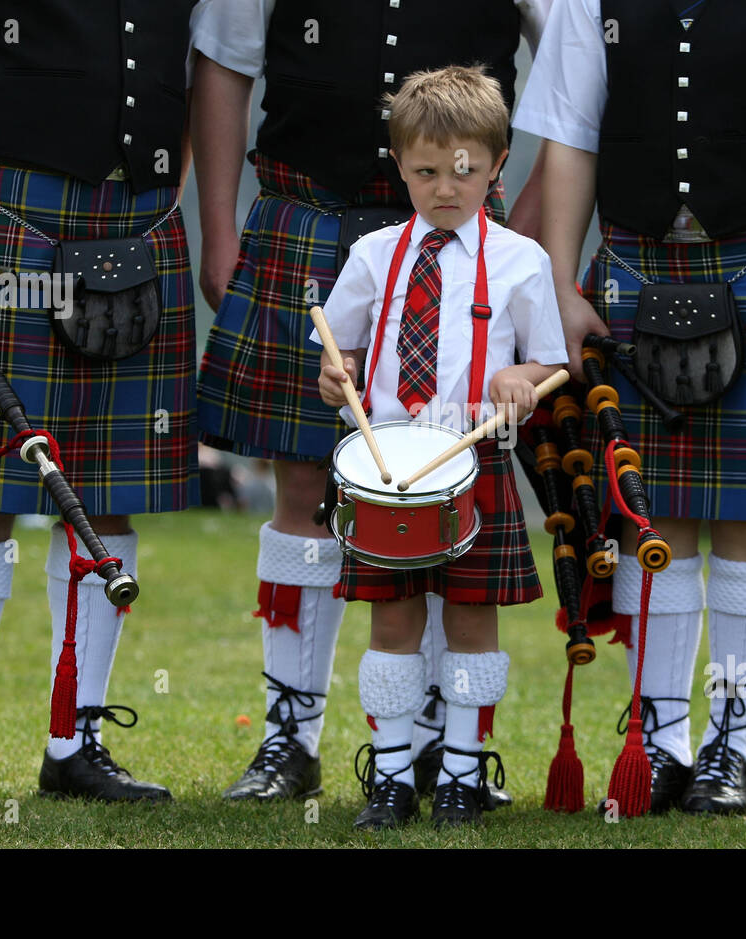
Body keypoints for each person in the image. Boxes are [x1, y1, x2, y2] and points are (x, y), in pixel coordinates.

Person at [191, 0, 550, 805]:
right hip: (306, 220)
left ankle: (431, 744)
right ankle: (290, 736)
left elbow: (570, 73)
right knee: (301, 487)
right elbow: (224, 63)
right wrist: (220, 230)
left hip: (463, 233)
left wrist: (518, 236)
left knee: (444, 488)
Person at [0, 0, 223, 810]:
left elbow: (203, 72)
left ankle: (76, 740)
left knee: (106, 497)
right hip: (4, 214)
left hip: (137, 219)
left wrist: (178, 196)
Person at [515, 0, 746, 815]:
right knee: (648, 516)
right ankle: (657, 743)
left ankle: (728, 749)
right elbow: (569, 138)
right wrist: (560, 287)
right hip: (635, 264)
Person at [316, 66, 567, 828]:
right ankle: (390, 774)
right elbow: (338, 353)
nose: (444, 188)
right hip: (385, 464)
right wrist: (337, 375)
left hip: (472, 460)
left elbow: (551, 361)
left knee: (470, 622)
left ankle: (461, 768)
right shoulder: (373, 254)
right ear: (400, 167)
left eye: (462, 171)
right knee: (391, 625)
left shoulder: (522, 259)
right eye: (425, 171)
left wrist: (520, 378)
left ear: (494, 165)